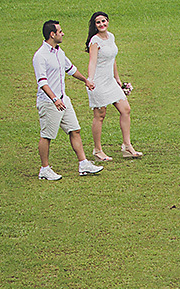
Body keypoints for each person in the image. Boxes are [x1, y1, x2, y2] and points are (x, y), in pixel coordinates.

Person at [33, 20, 103, 180]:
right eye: (60, 31)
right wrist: (54, 99)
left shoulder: (59, 52)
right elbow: (42, 82)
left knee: (75, 130)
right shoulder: (40, 56)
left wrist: (85, 80)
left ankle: (83, 164)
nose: (63, 33)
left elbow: (70, 69)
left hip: (64, 100)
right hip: (50, 102)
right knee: (47, 135)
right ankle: (44, 169)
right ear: (52, 34)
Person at [85, 12, 142, 160]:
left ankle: (127, 146)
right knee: (100, 115)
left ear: (108, 22)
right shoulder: (95, 41)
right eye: (98, 22)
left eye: (104, 21)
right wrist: (90, 79)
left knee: (126, 109)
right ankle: (97, 151)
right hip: (98, 82)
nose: (102, 24)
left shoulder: (111, 37)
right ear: (95, 25)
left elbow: (113, 59)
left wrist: (117, 78)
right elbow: (92, 62)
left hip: (110, 81)